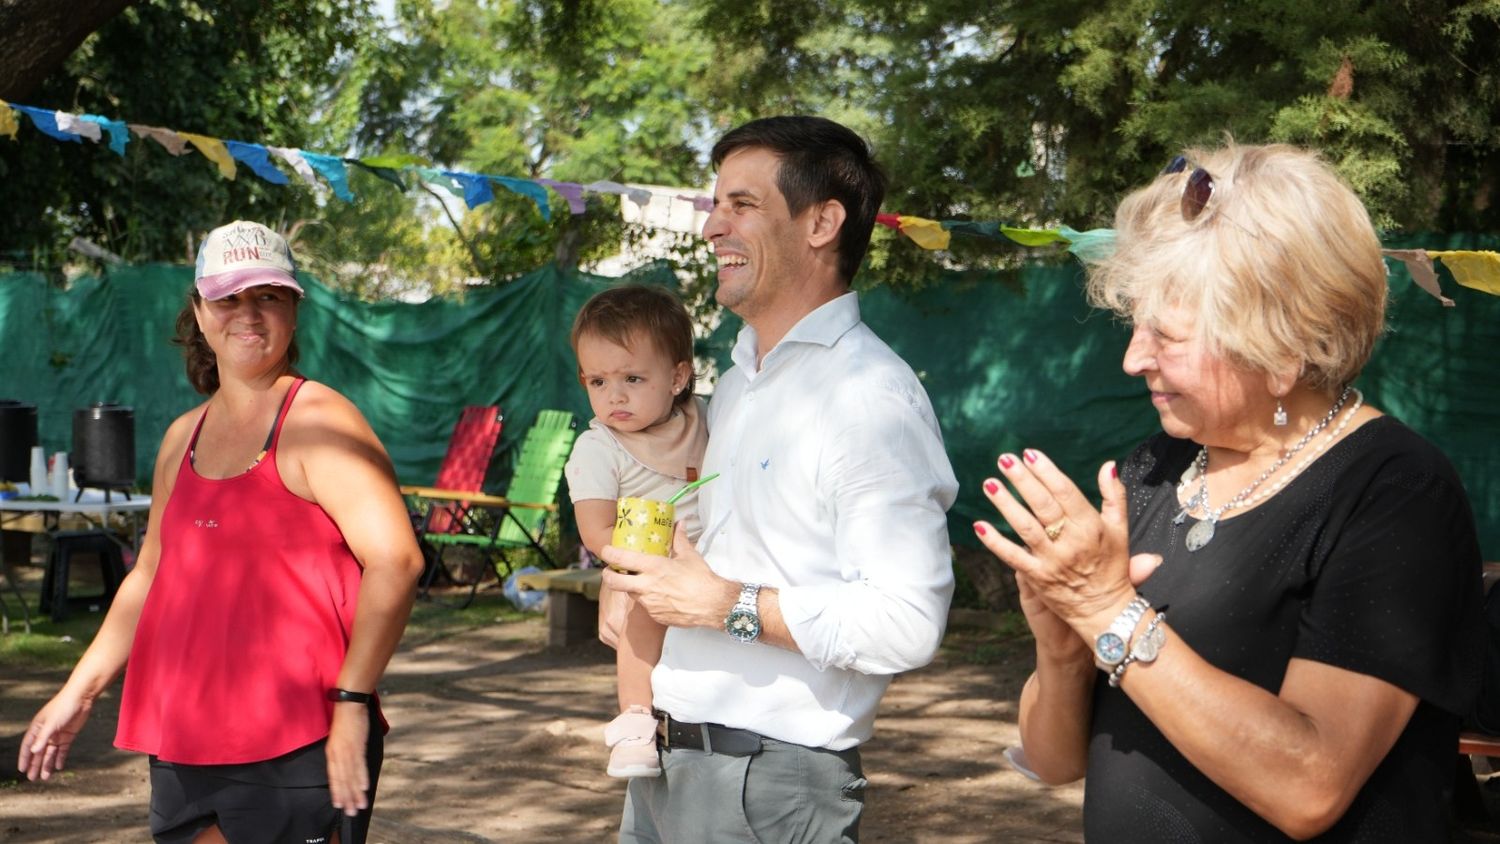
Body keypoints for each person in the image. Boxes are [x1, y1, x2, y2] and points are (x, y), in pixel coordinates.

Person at [974, 143, 1484, 841]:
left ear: (1281, 347)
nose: (1133, 358)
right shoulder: (1153, 470)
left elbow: (1309, 783)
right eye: (1135, 325)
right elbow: (1052, 760)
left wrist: (1109, 613)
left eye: (1167, 335)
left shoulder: (1395, 491)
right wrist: (1064, 645)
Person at [600, 115, 958, 842]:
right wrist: (650, 579)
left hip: (770, 783)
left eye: (742, 205)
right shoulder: (740, 377)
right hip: (671, 762)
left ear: (823, 222)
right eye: (716, 204)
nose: (712, 228)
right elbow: (742, 549)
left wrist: (723, 604)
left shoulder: (869, 396)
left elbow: (907, 624)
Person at [18, 220, 424, 844]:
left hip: (299, 740)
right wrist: (79, 691)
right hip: (184, 737)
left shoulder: (319, 419)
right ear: (200, 315)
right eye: (228, 298)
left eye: (267, 295)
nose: (248, 314)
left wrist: (350, 703)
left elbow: (396, 562)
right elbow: (150, 576)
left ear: (293, 308)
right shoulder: (182, 436)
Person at [563, 284, 708, 779]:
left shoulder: (705, 417)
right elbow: (597, 530)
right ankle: (634, 720)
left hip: (722, 562)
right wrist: (631, 569)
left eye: (632, 377)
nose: (615, 395)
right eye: (598, 382)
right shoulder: (598, 449)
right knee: (643, 614)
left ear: (677, 377)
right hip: (653, 563)